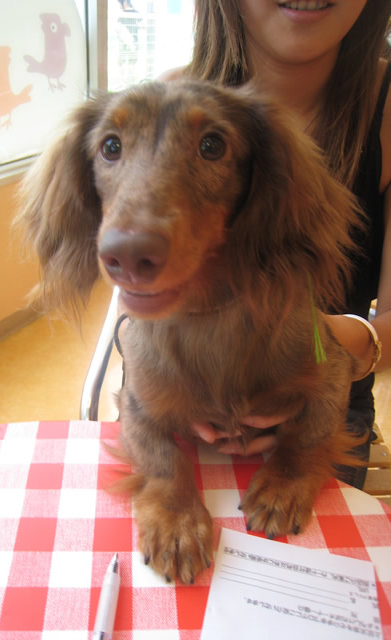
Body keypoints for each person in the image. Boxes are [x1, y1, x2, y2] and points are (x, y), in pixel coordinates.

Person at [157, 1, 391, 489]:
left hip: (320, 409)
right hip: (179, 403)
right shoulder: (165, 98)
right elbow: (132, 307)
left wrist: (340, 345)